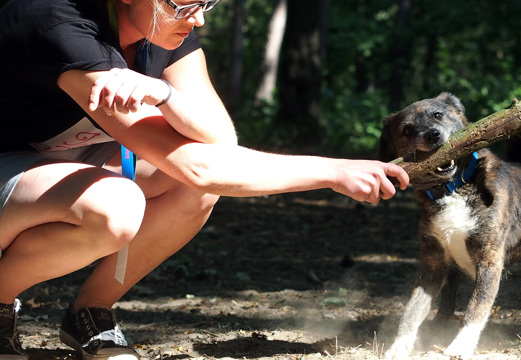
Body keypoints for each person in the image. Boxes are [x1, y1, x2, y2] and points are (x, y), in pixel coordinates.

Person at [0, 0, 409, 359]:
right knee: (115, 207)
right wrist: (333, 172)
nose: (196, 19)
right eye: (182, 4)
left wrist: (164, 94)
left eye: (205, 3)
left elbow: (220, 141)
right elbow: (200, 163)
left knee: (193, 191)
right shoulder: (57, 22)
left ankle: (90, 314)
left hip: (51, 162)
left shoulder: (165, 31)